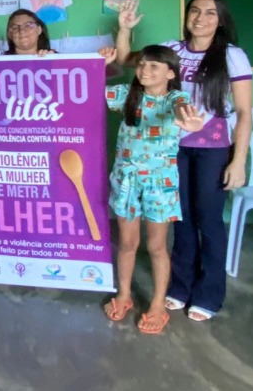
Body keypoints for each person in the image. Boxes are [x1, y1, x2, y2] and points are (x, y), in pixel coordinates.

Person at [115, 0, 253, 322]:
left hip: (212, 150)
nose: (200, 18)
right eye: (194, 11)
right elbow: (125, 61)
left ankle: (208, 295)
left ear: (220, 20)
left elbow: (245, 113)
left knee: (208, 219)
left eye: (209, 13)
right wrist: (123, 30)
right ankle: (179, 288)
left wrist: (238, 161)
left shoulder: (232, 56)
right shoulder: (171, 50)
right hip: (168, 149)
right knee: (181, 219)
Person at [99, 45, 204, 333]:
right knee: (128, 243)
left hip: (161, 185)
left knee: (157, 246)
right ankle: (123, 294)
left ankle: (158, 303)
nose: (145, 70)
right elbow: (86, 90)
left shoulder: (176, 98)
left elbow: (182, 109)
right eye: (142, 64)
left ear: (170, 73)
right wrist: (101, 66)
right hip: (126, 181)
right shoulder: (126, 95)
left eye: (154, 66)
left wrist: (191, 121)